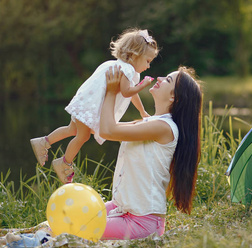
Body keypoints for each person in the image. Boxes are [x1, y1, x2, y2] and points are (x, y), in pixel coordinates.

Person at [30, 28, 159, 184]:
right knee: (82, 136)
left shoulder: (121, 68)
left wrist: (142, 111)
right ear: (134, 55)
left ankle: (44, 141)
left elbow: (131, 94)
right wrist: (142, 85)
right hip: (90, 106)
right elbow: (126, 92)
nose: (148, 66)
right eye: (147, 61)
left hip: (86, 102)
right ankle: (64, 162)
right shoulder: (126, 69)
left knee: (72, 129)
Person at [98, 65, 202, 240]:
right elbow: (103, 129)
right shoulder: (150, 122)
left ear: (173, 97)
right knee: (67, 218)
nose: (160, 78)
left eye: (167, 80)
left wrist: (111, 91)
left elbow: (108, 131)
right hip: (122, 207)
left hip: (141, 221)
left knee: (78, 228)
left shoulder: (163, 128)